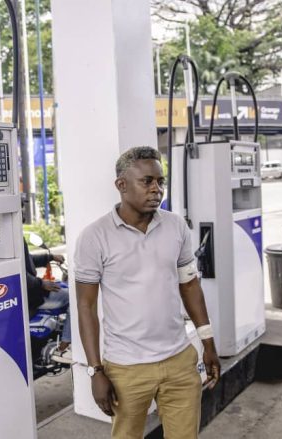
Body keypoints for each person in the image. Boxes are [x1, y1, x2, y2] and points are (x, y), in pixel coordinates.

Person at [74, 146, 220, 439]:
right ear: (121, 185)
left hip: (179, 360)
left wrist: (208, 343)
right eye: (147, 181)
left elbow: (190, 285)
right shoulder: (94, 237)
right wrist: (95, 370)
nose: (157, 189)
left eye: (160, 181)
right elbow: (86, 307)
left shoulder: (175, 226)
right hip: (126, 367)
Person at [23, 239, 72, 363]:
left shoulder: (12, 235)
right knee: (73, 299)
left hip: (29, 290)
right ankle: (65, 343)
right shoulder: (12, 236)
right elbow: (15, 271)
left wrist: (50, 257)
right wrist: (40, 283)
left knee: (61, 287)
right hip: (31, 294)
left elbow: (26, 260)